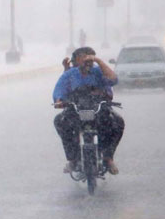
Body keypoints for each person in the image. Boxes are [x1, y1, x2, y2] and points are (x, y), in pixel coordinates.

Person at [53, 47, 124, 175]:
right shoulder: (70, 74)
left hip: (99, 109)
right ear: (76, 60)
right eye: (83, 57)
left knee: (117, 122)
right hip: (76, 109)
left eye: (90, 57)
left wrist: (99, 61)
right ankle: (73, 159)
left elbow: (113, 80)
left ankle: (108, 157)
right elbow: (60, 89)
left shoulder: (99, 71)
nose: (87, 61)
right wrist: (59, 100)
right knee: (60, 121)